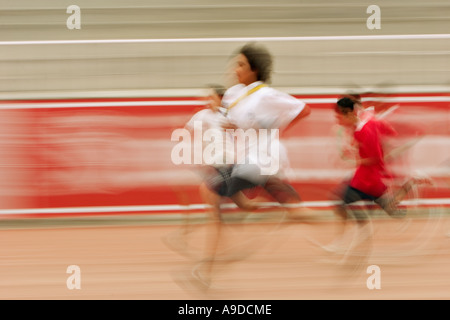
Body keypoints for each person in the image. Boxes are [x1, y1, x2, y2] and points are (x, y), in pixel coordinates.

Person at [329, 96, 431, 257]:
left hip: (369, 178)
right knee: (392, 210)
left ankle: (345, 242)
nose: (338, 120)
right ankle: (412, 181)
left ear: (348, 113)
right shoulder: (366, 119)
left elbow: (375, 157)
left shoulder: (363, 130)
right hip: (369, 176)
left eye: (339, 116)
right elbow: (389, 130)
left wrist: (352, 159)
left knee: (343, 203)